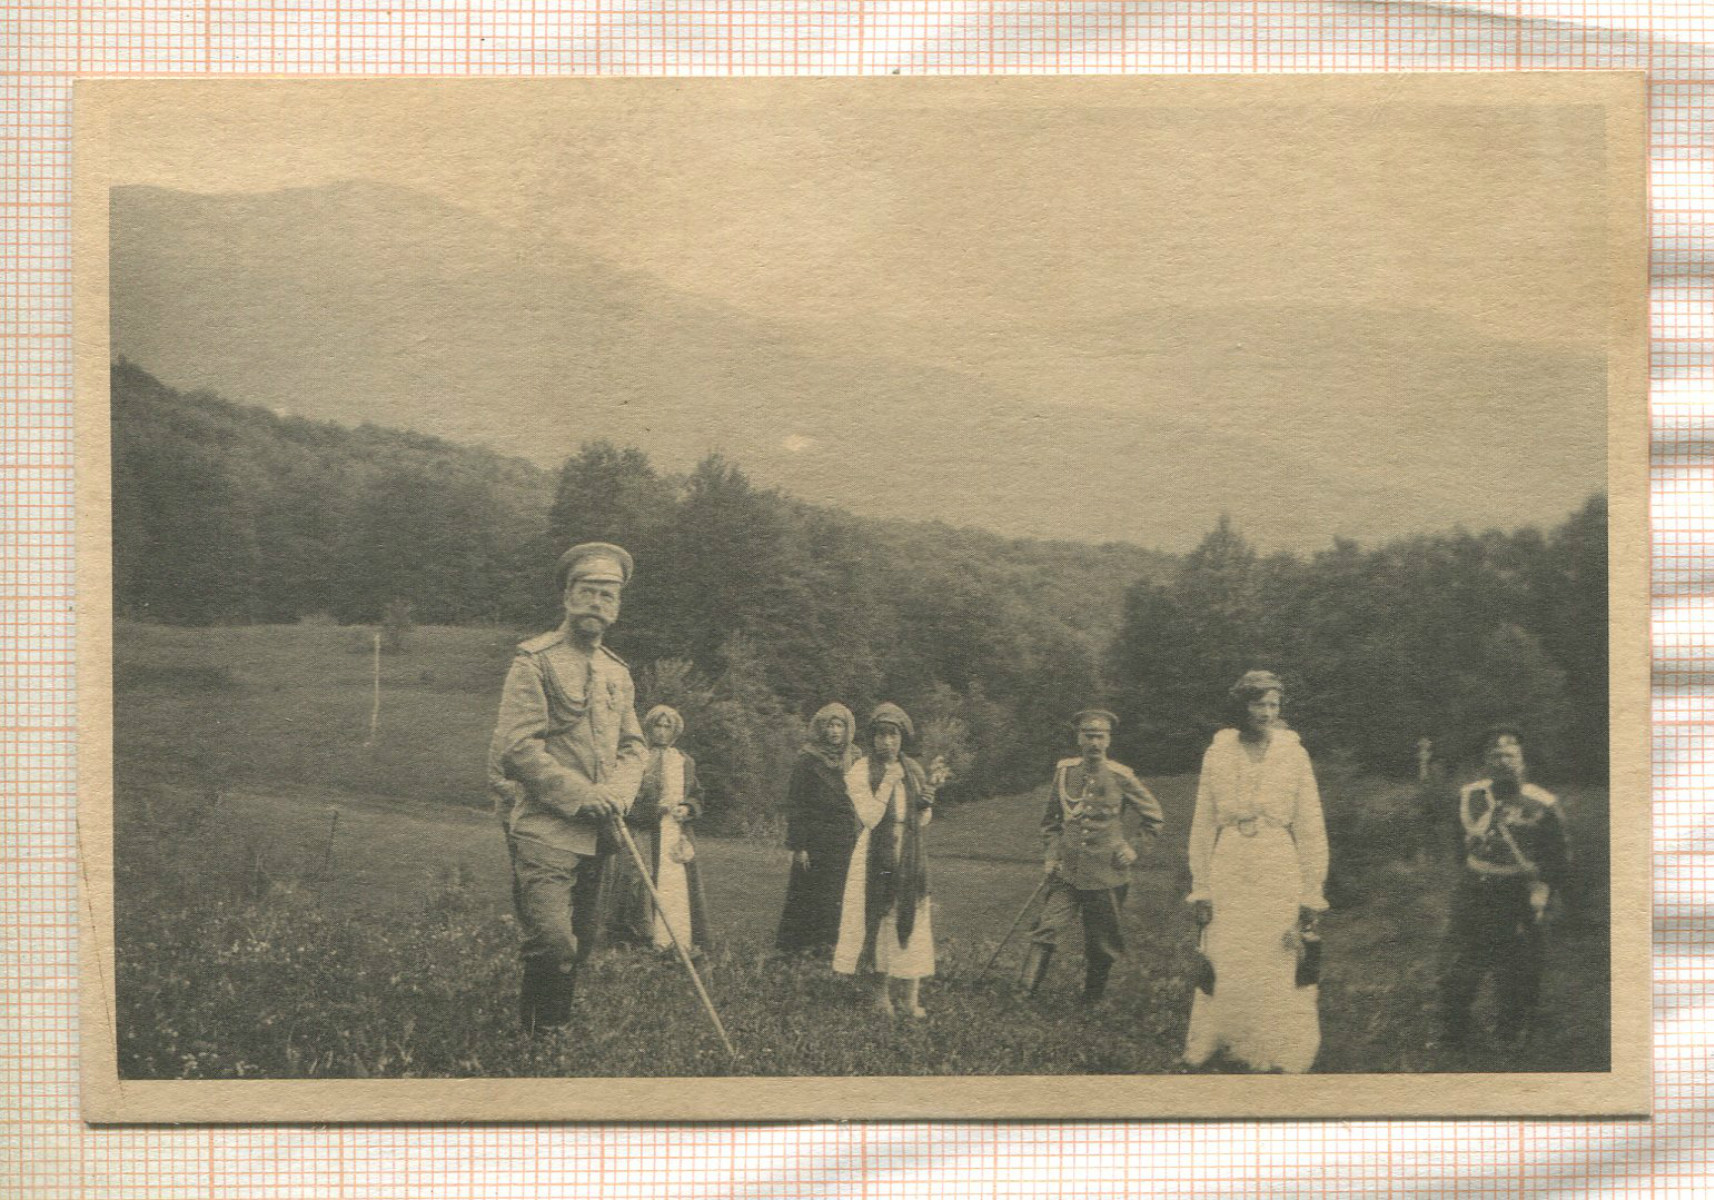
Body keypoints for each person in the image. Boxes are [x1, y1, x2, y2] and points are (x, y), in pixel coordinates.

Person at [488, 542, 647, 1032]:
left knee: (582, 941)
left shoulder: (618, 672)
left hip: (602, 834)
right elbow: (517, 747)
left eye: (608, 595)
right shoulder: (534, 661)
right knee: (553, 941)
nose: (597, 603)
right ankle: (536, 1040)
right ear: (567, 596)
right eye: (587, 591)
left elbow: (634, 747)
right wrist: (582, 795)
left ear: (617, 607)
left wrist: (619, 793)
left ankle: (549, 1038)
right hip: (545, 829)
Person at [1183, 670, 1329, 1073]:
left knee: (1274, 948)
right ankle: (1226, 1039)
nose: (1266, 713)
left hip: (1276, 860)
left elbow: (1310, 825)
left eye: (1273, 705)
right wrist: (1202, 886)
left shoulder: (1293, 754)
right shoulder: (1218, 754)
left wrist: (1311, 891)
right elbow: (1203, 823)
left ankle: (1274, 1046)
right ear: (1241, 707)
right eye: (1258, 704)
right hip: (1230, 860)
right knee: (1229, 948)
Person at [1017, 709, 1164, 1007]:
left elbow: (1154, 817)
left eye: (1100, 736)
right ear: (1079, 738)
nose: (1094, 743)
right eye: (1088, 736)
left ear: (1108, 740)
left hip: (1106, 873)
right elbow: (1050, 822)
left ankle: (1090, 1001)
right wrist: (1051, 855)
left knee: (1101, 941)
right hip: (1067, 871)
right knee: (1047, 927)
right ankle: (1024, 992)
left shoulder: (1121, 776)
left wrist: (1134, 847)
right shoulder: (1065, 773)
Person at [1439, 725, 1570, 1048]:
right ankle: (1454, 1032)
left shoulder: (1542, 803)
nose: (1503, 762)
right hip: (1475, 890)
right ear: (1486, 760)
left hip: (1516, 893)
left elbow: (1558, 857)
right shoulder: (1470, 796)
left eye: (1510, 755)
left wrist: (1542, 889)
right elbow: (1458, 844)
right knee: (1460, 962)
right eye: (1495, 755)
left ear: (1523, 761)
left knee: (1515, 966)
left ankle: (1511, 1033)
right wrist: (1468, 876)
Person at [832, 703, 945, 1017]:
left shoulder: (913, 770)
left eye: (893, 735)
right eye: (881, 735)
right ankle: (880, 996)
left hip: (909, 852)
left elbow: (921, 821)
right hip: (874, 853)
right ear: (872, 738)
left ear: (902, 738)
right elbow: (869, 817)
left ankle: (910, 998)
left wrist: (926, 803)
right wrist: (887, 782)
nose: (887, 742)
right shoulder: (860, 770)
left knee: (913, 919)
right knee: (879, 921)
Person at [775, 703, 862, 957]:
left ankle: (833, 947)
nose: (834, 731)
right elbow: (797, 804)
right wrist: (799, 846)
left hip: (844, 836)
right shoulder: (808, 759)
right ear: (821, 729)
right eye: (829, 725)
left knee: (840, 891)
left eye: (839, 725)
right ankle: (800, 948)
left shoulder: (855, 759)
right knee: (809, 891)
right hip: (814, 837)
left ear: (847, 729)